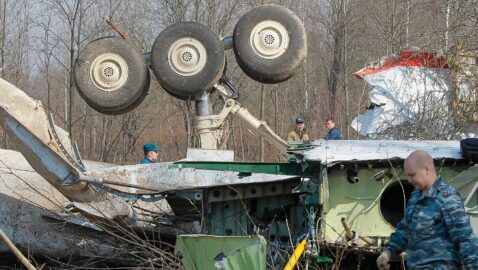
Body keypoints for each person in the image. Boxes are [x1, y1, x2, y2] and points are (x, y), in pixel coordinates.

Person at [376, 150, 478, 269]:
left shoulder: (447, 198)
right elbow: (405, 229)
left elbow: (465, 239)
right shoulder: (415, 197)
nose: (409, 180)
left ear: (426, 170)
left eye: (412, 175)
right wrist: (388, 251)